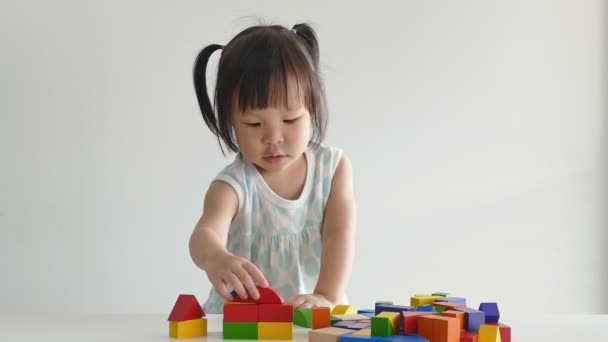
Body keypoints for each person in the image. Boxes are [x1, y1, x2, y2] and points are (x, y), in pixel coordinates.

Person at [188, 23, 356, 313]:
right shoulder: (234, 185)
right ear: (231, 121)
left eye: (290, 120)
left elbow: (339, 233)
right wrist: (216, 258)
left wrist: (327, 295)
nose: (274, 138)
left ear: (312, 109)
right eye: (254, 124)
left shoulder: (332, 169)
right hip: (242, 322)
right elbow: (205, 233)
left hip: (313, 313)